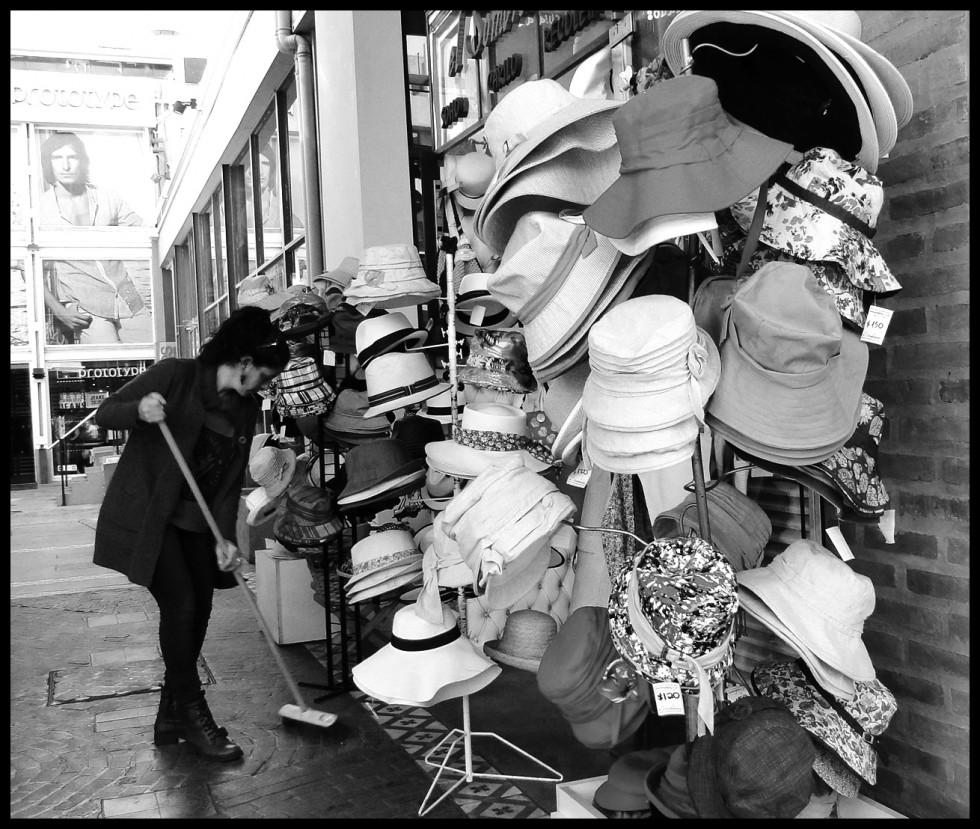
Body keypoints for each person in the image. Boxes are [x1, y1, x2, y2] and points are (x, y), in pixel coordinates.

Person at [93, 307, 291, 762]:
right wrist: (139, 411)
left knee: (199, 608)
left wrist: (226, 538)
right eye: (263, 374)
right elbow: (106, 413)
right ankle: (193, 710)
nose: (264, 383)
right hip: (151, 520)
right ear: (243, 361)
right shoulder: (177, 375)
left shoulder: (244, 407)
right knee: (181, 603)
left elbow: (228, 483)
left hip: (197, 525)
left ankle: (169, 717)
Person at [38, 131, 151, 345]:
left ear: (83, 161)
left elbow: (146, 233)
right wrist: (59, 311)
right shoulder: (42, 210)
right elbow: (29, 270)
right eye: (57, 158)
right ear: (48, 164)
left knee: (157, 359)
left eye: (72, 157)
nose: (66, 165)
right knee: (108, 368)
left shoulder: (107, 197)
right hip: (88, 308)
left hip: (129, 300)